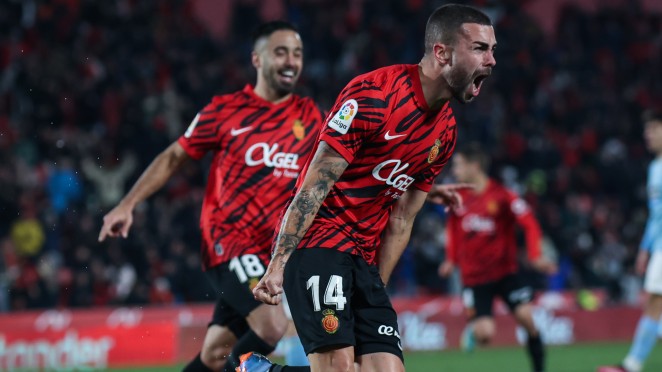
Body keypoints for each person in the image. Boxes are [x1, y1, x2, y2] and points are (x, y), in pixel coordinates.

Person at [241, 4, 497, 372]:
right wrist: (277, 264)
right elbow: (315, 185)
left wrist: (375, 291)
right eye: (479, 48)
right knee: (340, 368)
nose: (490, 60)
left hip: (364, 260)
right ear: (441, 52)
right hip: (320, 243)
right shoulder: (374, 96)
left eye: (492, 49)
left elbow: (403, 219)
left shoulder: (446, 132)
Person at [97, 21, 323, 372]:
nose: (291, 61)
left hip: (272, 251)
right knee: (273, 325)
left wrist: (417, 190)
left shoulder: (310, 116)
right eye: (280, 52)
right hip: (229, 241)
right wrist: (128, 203)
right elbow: (175, 156)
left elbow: (338, 167)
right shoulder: (225, 110)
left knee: (216, 355)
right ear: (257, 59)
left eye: (297, 53)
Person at [435, 143, 557, 372]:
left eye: (459, 165)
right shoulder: (457, 198)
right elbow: (452, 228)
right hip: (474, 278)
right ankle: (474, 330)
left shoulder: (502, 196)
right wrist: (450, 259)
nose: (456, 170)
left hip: (505, 273)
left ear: (475, 166)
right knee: (485, 335)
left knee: (527, 320)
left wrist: (534, 255)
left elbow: (529, 223)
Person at [598, 110, 662, 372]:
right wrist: (646, 249)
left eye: (654, 130)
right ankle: (632, 364)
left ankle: (632, 364)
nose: (648, 136)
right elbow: (655, 214)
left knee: (655, 302)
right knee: (655, 302)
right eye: (646, 131)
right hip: (659, 245)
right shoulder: (654, 168)